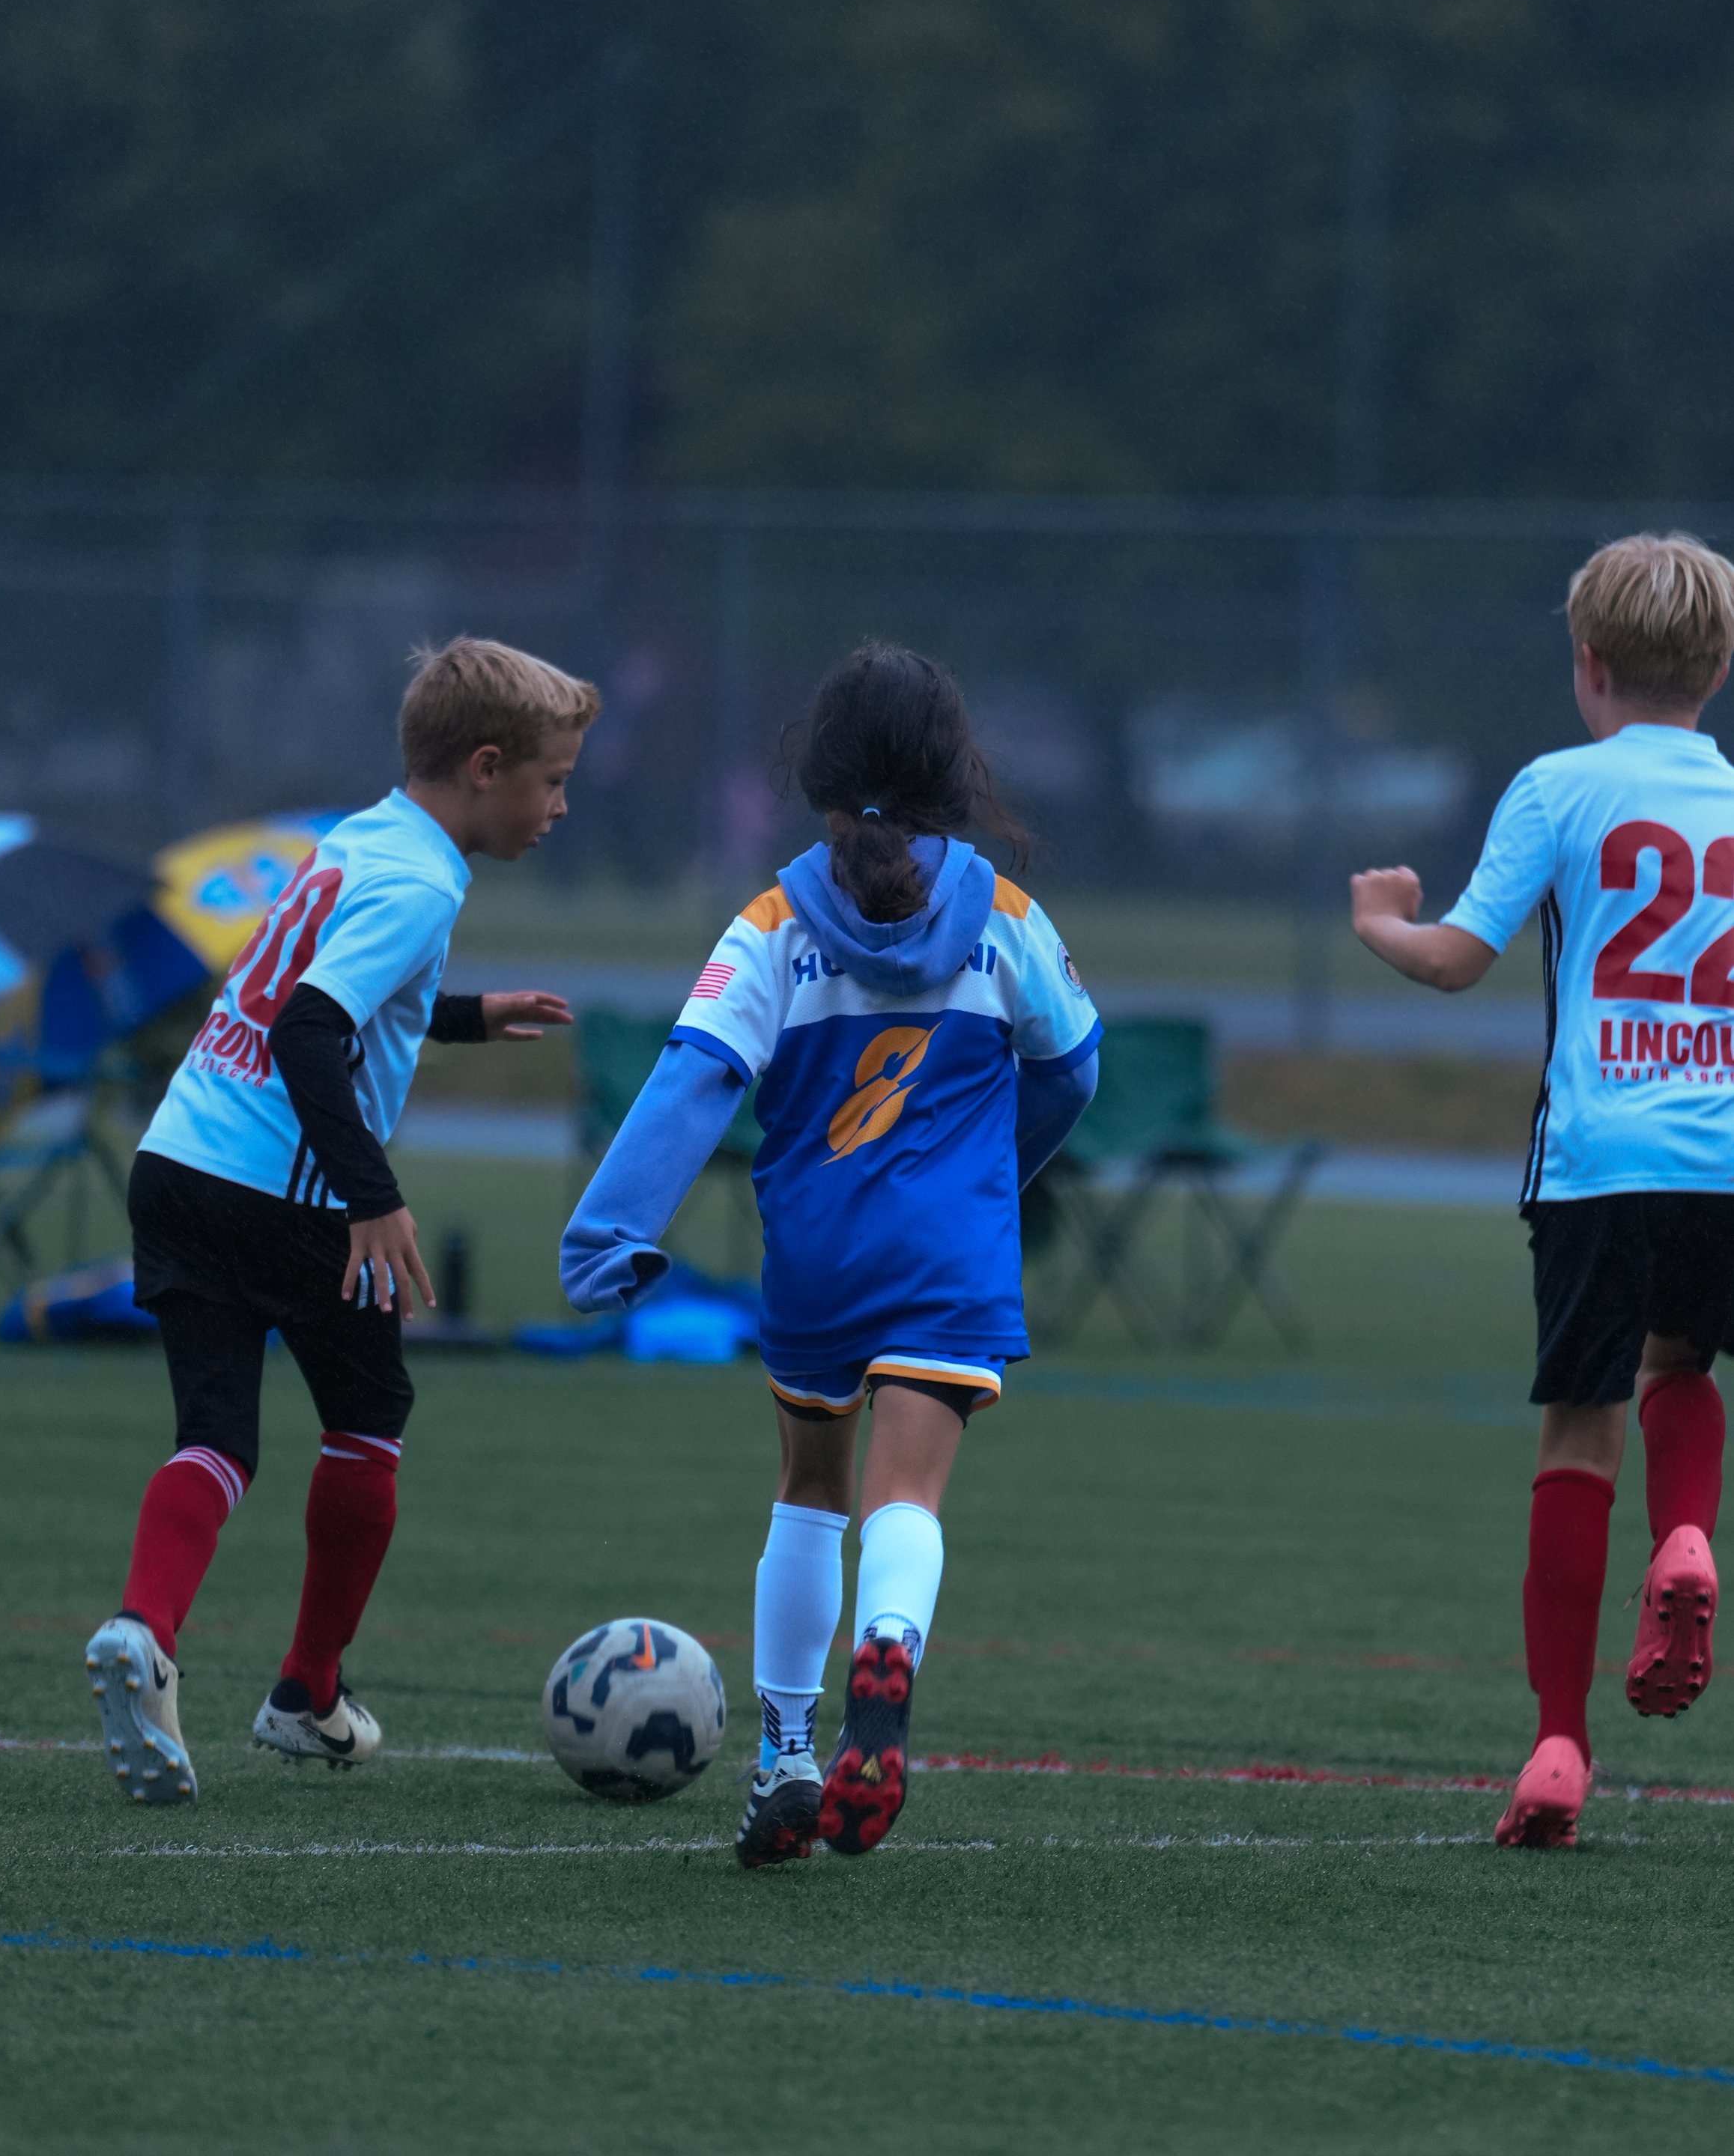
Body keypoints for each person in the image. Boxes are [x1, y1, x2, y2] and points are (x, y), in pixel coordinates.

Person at [560, 643, 1101, 1867]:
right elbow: (1074, 1067)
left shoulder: (770, 926)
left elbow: (695, 1077)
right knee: (905, 1495)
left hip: (817, 1256)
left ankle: (786, 1754)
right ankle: (888, 1655)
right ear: (954, 776)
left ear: (818, 774)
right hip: (948, 1258)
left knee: (810, 1490)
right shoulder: (1007, 919)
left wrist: (608, 1233)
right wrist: (990, 1179)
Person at [86, 637, 599, 1806]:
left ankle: (145, 1629)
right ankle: (307, 1694)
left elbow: (322, 991)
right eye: (553, 780)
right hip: (284, 1188)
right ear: (485, 767)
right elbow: (310, 1029)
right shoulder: (423, 884)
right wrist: (373, 1196)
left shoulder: (365, 837)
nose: (561, 806)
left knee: (217, 1436)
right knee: (370, 1419)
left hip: (178, 1159)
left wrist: (461, 1014)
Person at [1351, 531, 1734, 1849]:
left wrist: (1379, 919)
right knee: (1682, 1363)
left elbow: (1458, 958)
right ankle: (1687, 1537)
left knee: (1579, 1432)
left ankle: (1560, 1746)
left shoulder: (1557, 787)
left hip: (1598, 1157)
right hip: (1724, 1153)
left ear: (1589, 663)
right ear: (1719, 670)